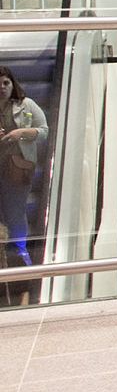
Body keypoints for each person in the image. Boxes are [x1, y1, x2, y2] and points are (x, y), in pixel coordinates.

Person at [0, 67, 48, 267]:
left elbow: (43, 131)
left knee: (15, 211)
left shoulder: (26, 104)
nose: (2, 88)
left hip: (16, 167)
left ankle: (19, 251)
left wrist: (20, 133)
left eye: (6, 83)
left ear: (13, 84)